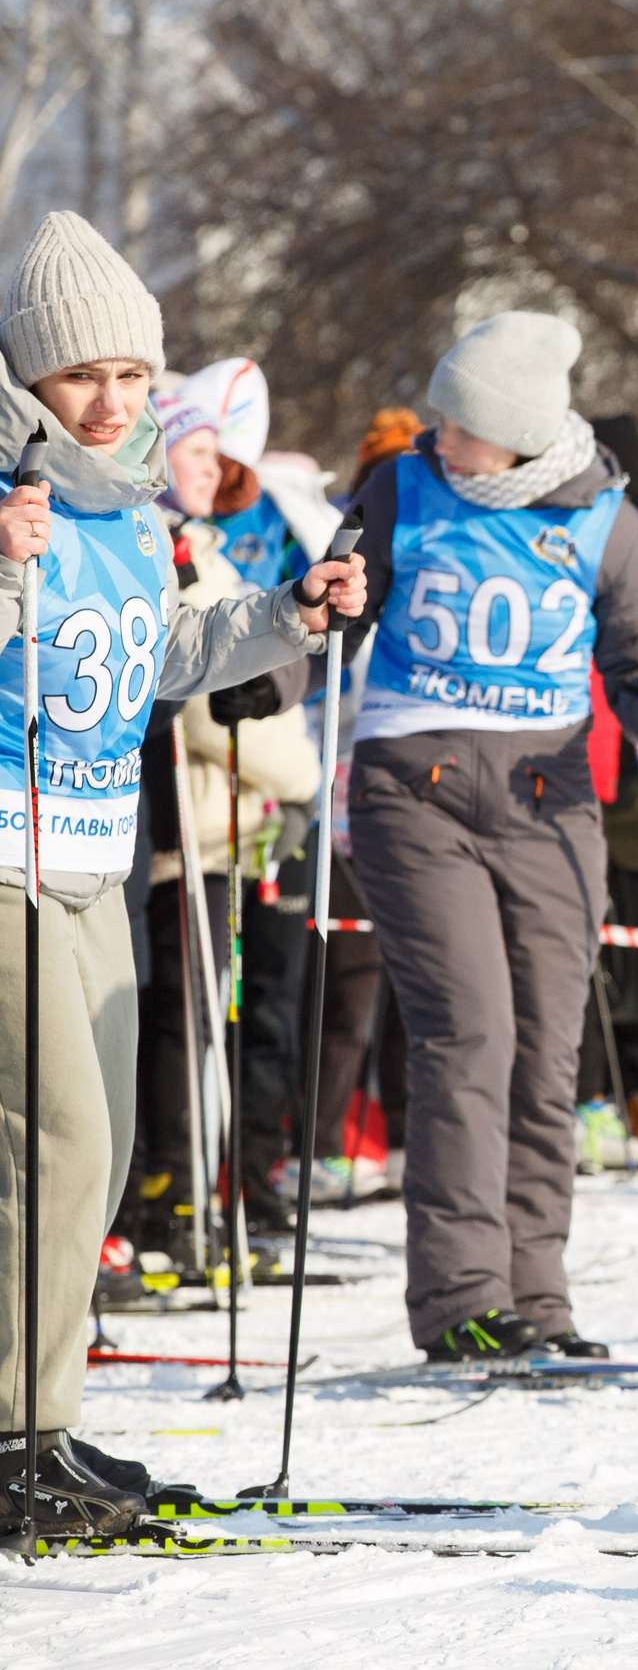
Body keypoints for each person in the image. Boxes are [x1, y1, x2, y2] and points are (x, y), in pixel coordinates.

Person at [0, 212, 366, 1532]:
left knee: (88, 1163)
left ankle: (41, 1421)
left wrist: (287, 614)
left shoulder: (128, 502)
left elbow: (161, 649)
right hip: (6, 858)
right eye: (80, 375)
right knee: (59, 1144)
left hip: (95, 859)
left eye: (130, 375)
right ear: (27, 376)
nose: (109, 401)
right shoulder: (12, 494)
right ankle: (11, 1434)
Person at [271, 311, 638, 1362]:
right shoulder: (401, 489)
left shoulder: (607, 517)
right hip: (412, 792)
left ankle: (538, 1297)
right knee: (471, 1036)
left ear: (515, 430)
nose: (440, 436)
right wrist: (268, 679)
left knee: (549, 1048)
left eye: (461, 423)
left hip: (548, 801)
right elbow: (332, 612)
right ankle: (463, 1295)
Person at [119, 393, 324, 1258]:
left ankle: (224, 1182)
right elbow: (204, 708)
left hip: (242, 830)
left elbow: (267, 665)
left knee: (236, 1019)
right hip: (188, 830)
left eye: (214, 452)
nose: (210, 464)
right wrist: (299, 769)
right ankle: (164, 1189)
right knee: (179, 1019)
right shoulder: (156, 547)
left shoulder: (207, 551)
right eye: (193, 448)